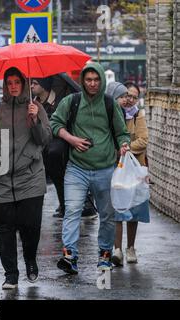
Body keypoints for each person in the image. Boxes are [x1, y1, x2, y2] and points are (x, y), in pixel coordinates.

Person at [0, 67, 52, 289]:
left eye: (18, 82)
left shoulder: (36, 108)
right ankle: (10, 274)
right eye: (10, 82)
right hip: (0, 181)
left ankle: (30, 261)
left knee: (31, 226)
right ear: (5, 85)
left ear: (24, 84)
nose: (14, 86)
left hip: (30, 179)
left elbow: (44, 139)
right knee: (4, 230)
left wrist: (35, 118)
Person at [50, 62, 131, 275]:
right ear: (83, 81)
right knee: (73, 210)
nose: (93, 84)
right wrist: (72, 139)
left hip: (105, 169)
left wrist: (123, 144)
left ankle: (104, 255)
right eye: (88, 80)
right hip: (76, 168)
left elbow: (122, 132)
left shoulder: (110, 104)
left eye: (96, 80)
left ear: (102, 80)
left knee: (106, 214)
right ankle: (70, 256)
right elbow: (55, 124)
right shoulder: (72, 101)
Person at [31, 77, 97, 220]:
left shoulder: (62, 100)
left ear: (44, 86)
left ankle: (81, 204)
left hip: (62, 148)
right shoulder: (33, 103)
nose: (32, 86)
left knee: (65, 177)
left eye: (35, 83)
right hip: (45, 148)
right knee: (56, 178)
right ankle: (64, 205)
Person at [107, 81, 149, 267]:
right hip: (115, 168)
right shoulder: (110, 115)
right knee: (117, 208)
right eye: (126, 96)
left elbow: (143, 141)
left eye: (133, 96)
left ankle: (130, 248)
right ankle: (117, 249)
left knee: (134, 208)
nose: (129, 100)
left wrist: (125, 149)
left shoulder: (138, 115)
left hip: (134, 168)